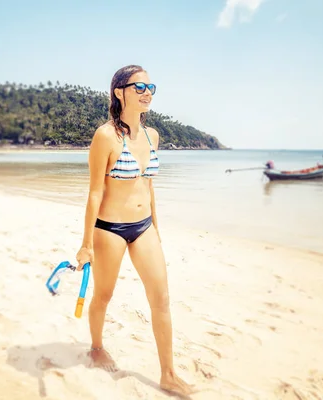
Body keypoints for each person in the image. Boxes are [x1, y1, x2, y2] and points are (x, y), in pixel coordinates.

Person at [76, 65, 195, 396]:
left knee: (162, 298)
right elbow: (95, 192)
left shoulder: (152, 135)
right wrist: (85, 244)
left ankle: (168, 373)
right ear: (119, 92)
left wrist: (156, 228)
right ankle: (97, 347)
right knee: (104, 295)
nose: (147, 92)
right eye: (139, 86)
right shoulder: (105, 136)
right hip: (110, 229)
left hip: (144, 229)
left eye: (150, 86)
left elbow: (149, 186)